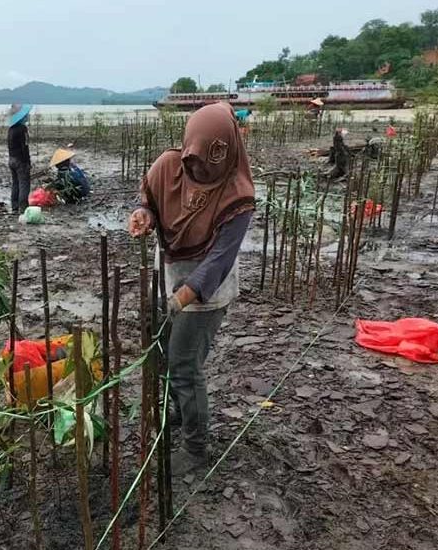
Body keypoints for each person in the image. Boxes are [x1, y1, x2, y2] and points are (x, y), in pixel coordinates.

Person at [128, 103, 255, 475]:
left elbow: (219, 259)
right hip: (169, 272)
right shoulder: (168, 166)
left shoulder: (237, 194)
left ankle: (196, 448)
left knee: (184, 364)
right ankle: (178, 420)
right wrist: (144, 216)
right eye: (192, 160)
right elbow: (149, 203)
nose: (196, 169)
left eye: (206, 163)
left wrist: (185, 295)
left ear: (226, 151)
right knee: (166, 357)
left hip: (208, 289)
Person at [7, 104, 32, 214]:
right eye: (26, 115)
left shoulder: (11, 129)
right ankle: (23, 209)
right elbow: (25, 147)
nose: (27, 116)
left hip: (11, 159)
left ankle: (14, 207)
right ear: (21, 117)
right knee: (24, 184)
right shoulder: (22, 129)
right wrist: (28, 162)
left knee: (15, 183)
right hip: (20, 160)